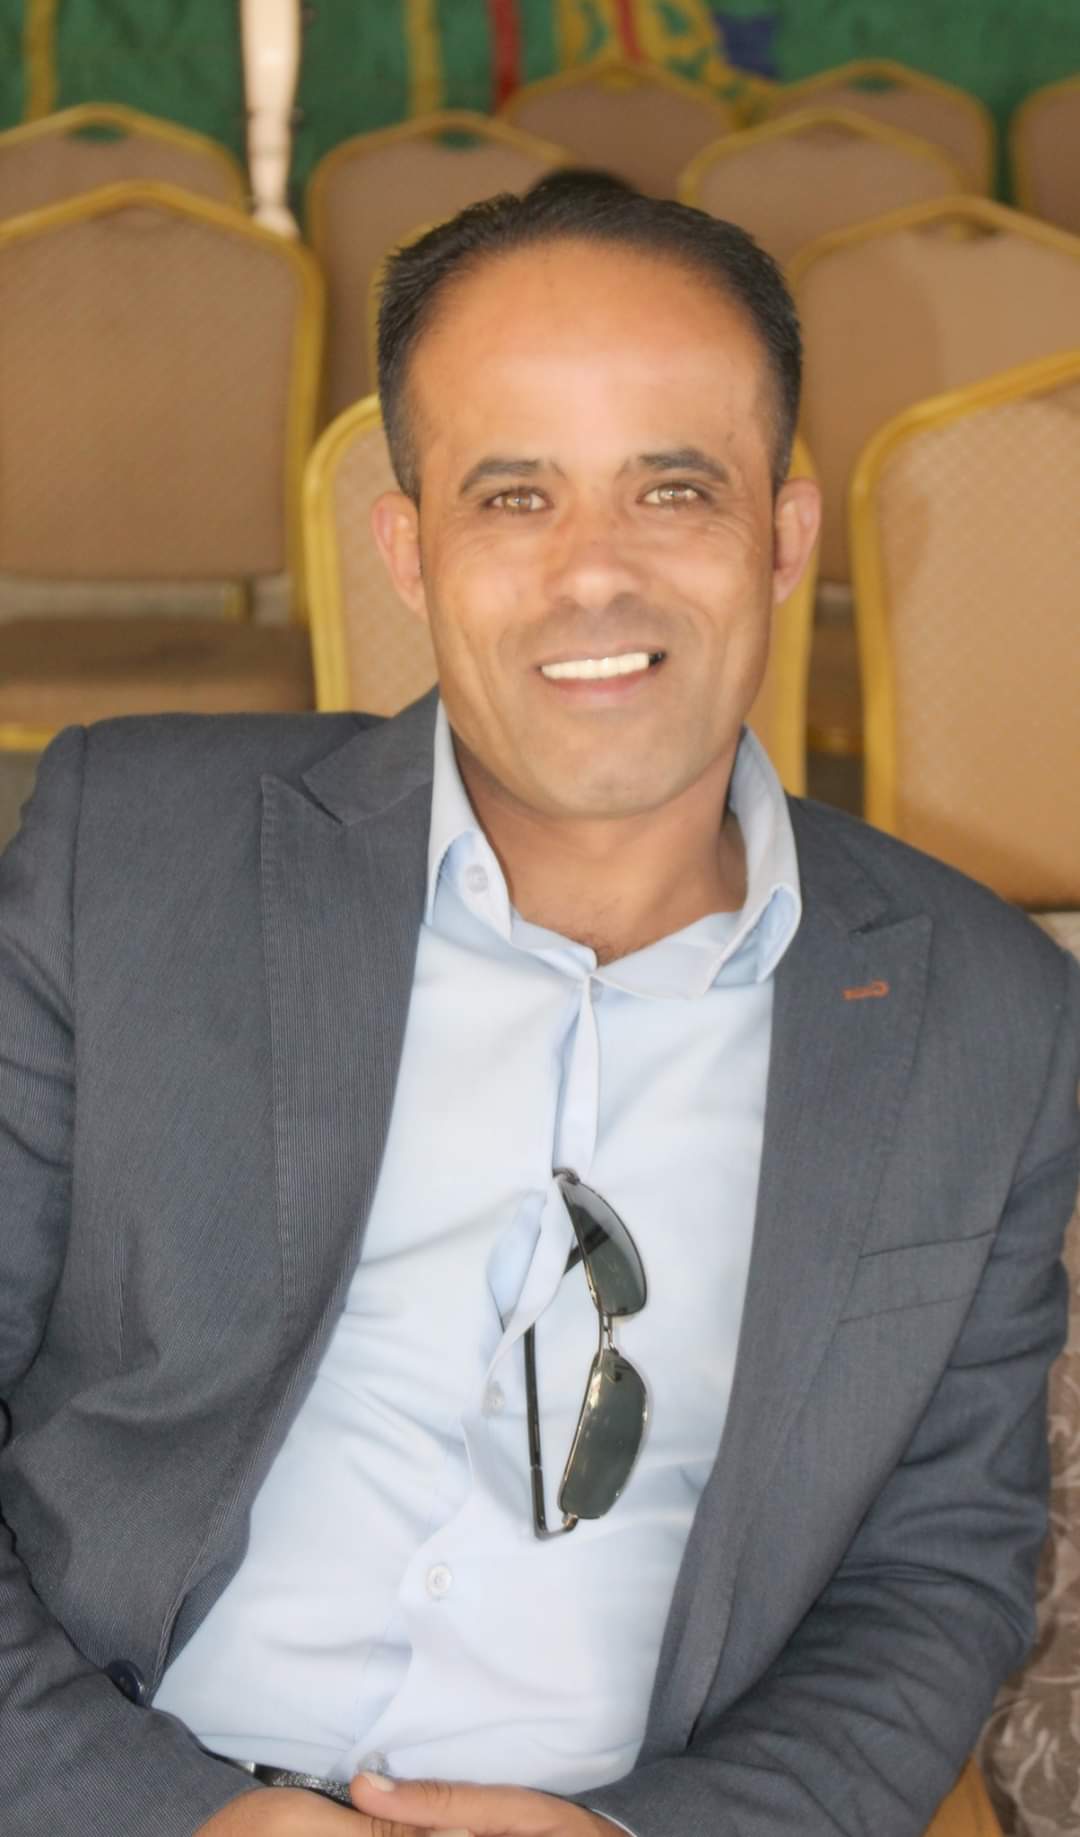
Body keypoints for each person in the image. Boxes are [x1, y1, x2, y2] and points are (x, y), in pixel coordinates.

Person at [0, 172, 1077, 1837]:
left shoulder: (990, 1018)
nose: (595, 576)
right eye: (515, 496)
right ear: (409, 546)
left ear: (782, 538)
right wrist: (160, 1815)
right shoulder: (128, 854)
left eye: (673, 488)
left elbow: (934, 1576)